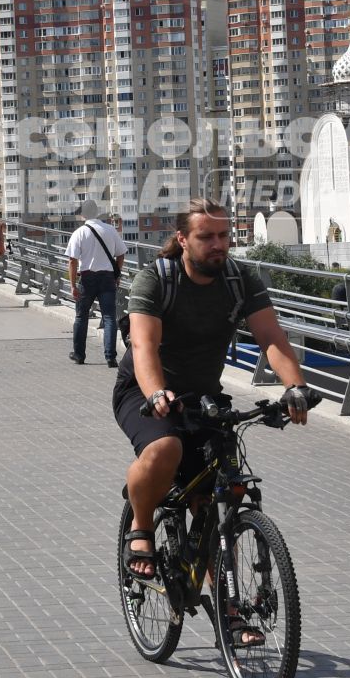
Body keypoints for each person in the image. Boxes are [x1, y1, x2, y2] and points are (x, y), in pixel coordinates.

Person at [114, 199, 310, 642]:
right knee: (166, 448)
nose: (218, 244)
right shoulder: (156, 280)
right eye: (207, 237)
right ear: (183, 239)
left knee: (217, 493)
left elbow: (270, 336)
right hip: (146, 391)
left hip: (203, 396)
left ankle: (230, 610)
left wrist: (294, 387)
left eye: (224, 236)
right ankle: (142, 527)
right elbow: (144, 346)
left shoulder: (241, 280)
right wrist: (156, 393)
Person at [66, 210, 126, 367]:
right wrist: (117, 275)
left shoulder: (79, 233)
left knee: (81, 317)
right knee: (109, 318)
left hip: (87, 279)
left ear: (84, 216)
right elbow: (121, 254)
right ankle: (110, 357)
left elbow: (72, 261)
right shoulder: (110, 230)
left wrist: (72, 285)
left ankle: (79, 355)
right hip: (107, 278)